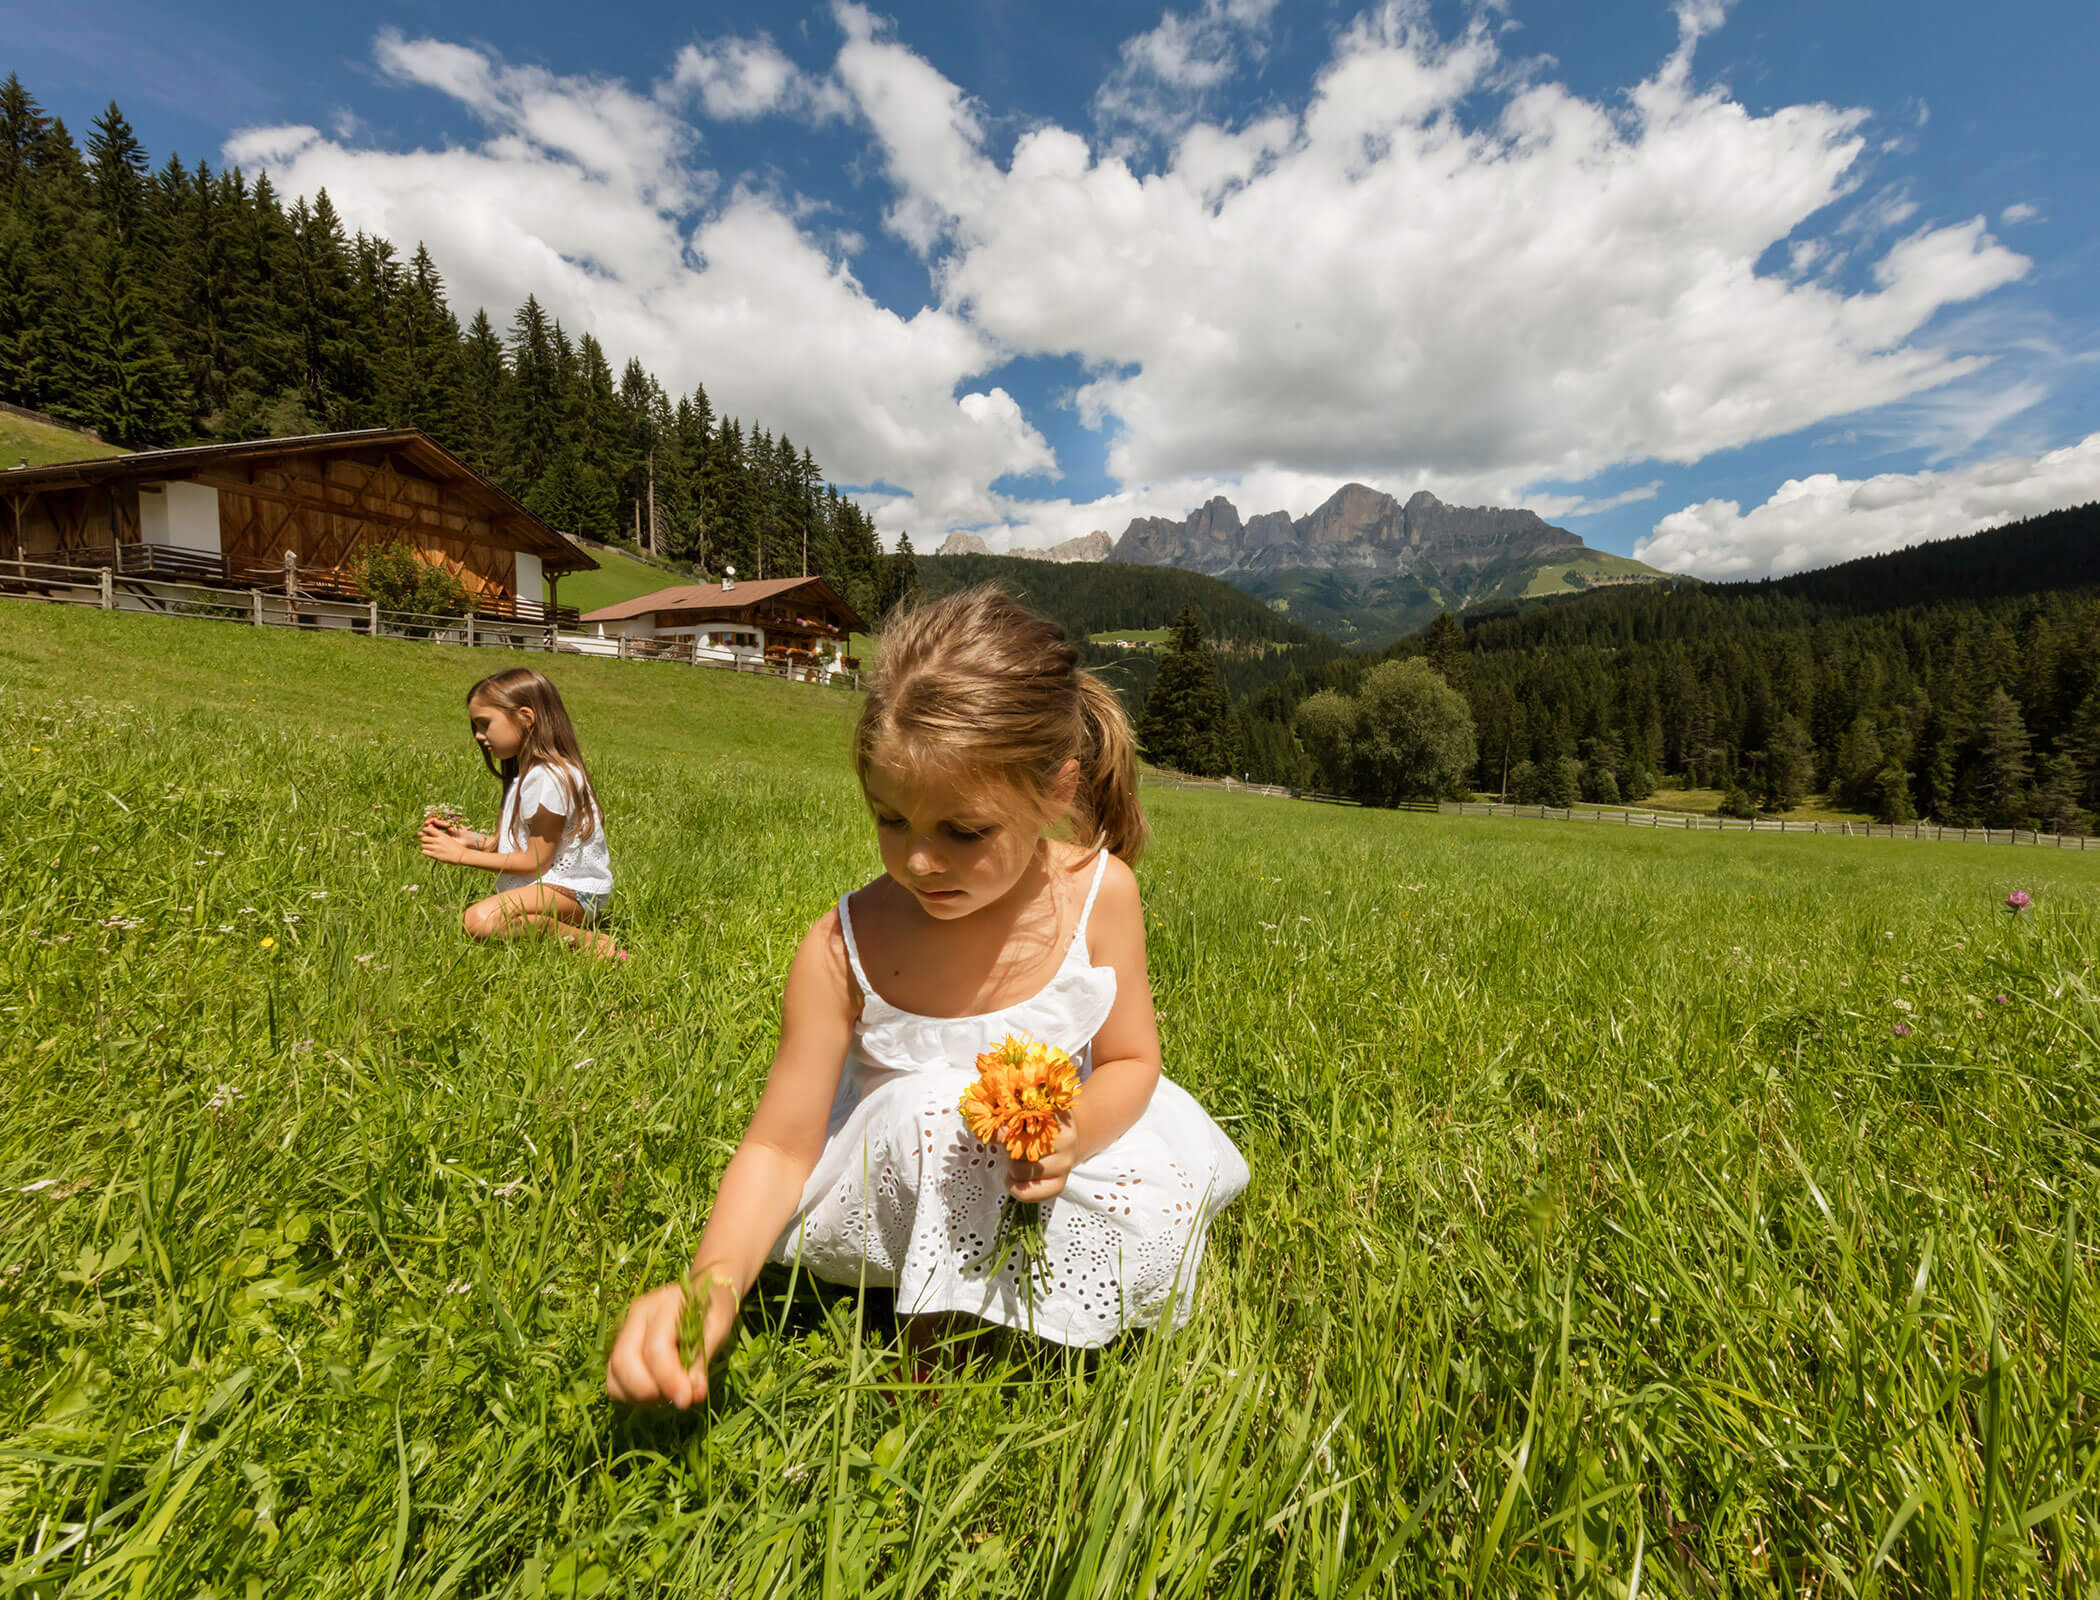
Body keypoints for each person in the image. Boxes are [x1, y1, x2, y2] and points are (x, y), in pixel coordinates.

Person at [606, 586, 1248, 1406]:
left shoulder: (1102, 894)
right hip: (899, 1180)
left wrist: (1074, 1134)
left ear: (1057, 789)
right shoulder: (842, 948)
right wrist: (710, 1288)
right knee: (943, 1105)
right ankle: (931, 1335)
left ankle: (1020, 1309)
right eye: (890, 820)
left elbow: (1130, 1059)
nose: (917, 863)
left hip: (1049, 1165)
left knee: (1142, 1213)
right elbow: (777, 1148)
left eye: (964, 832)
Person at [419, 667, 622, 961]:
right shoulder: (526, 774)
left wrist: (460, 856)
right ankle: (569, 924)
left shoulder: (550, 777)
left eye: (484, 724)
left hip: (575, 893)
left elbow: (534, 862)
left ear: (526, 717)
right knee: (483, 919)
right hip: (555, 890)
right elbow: (522, 848)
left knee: (479, 921)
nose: (478, 735)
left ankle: (588, 939)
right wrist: (471, 841)